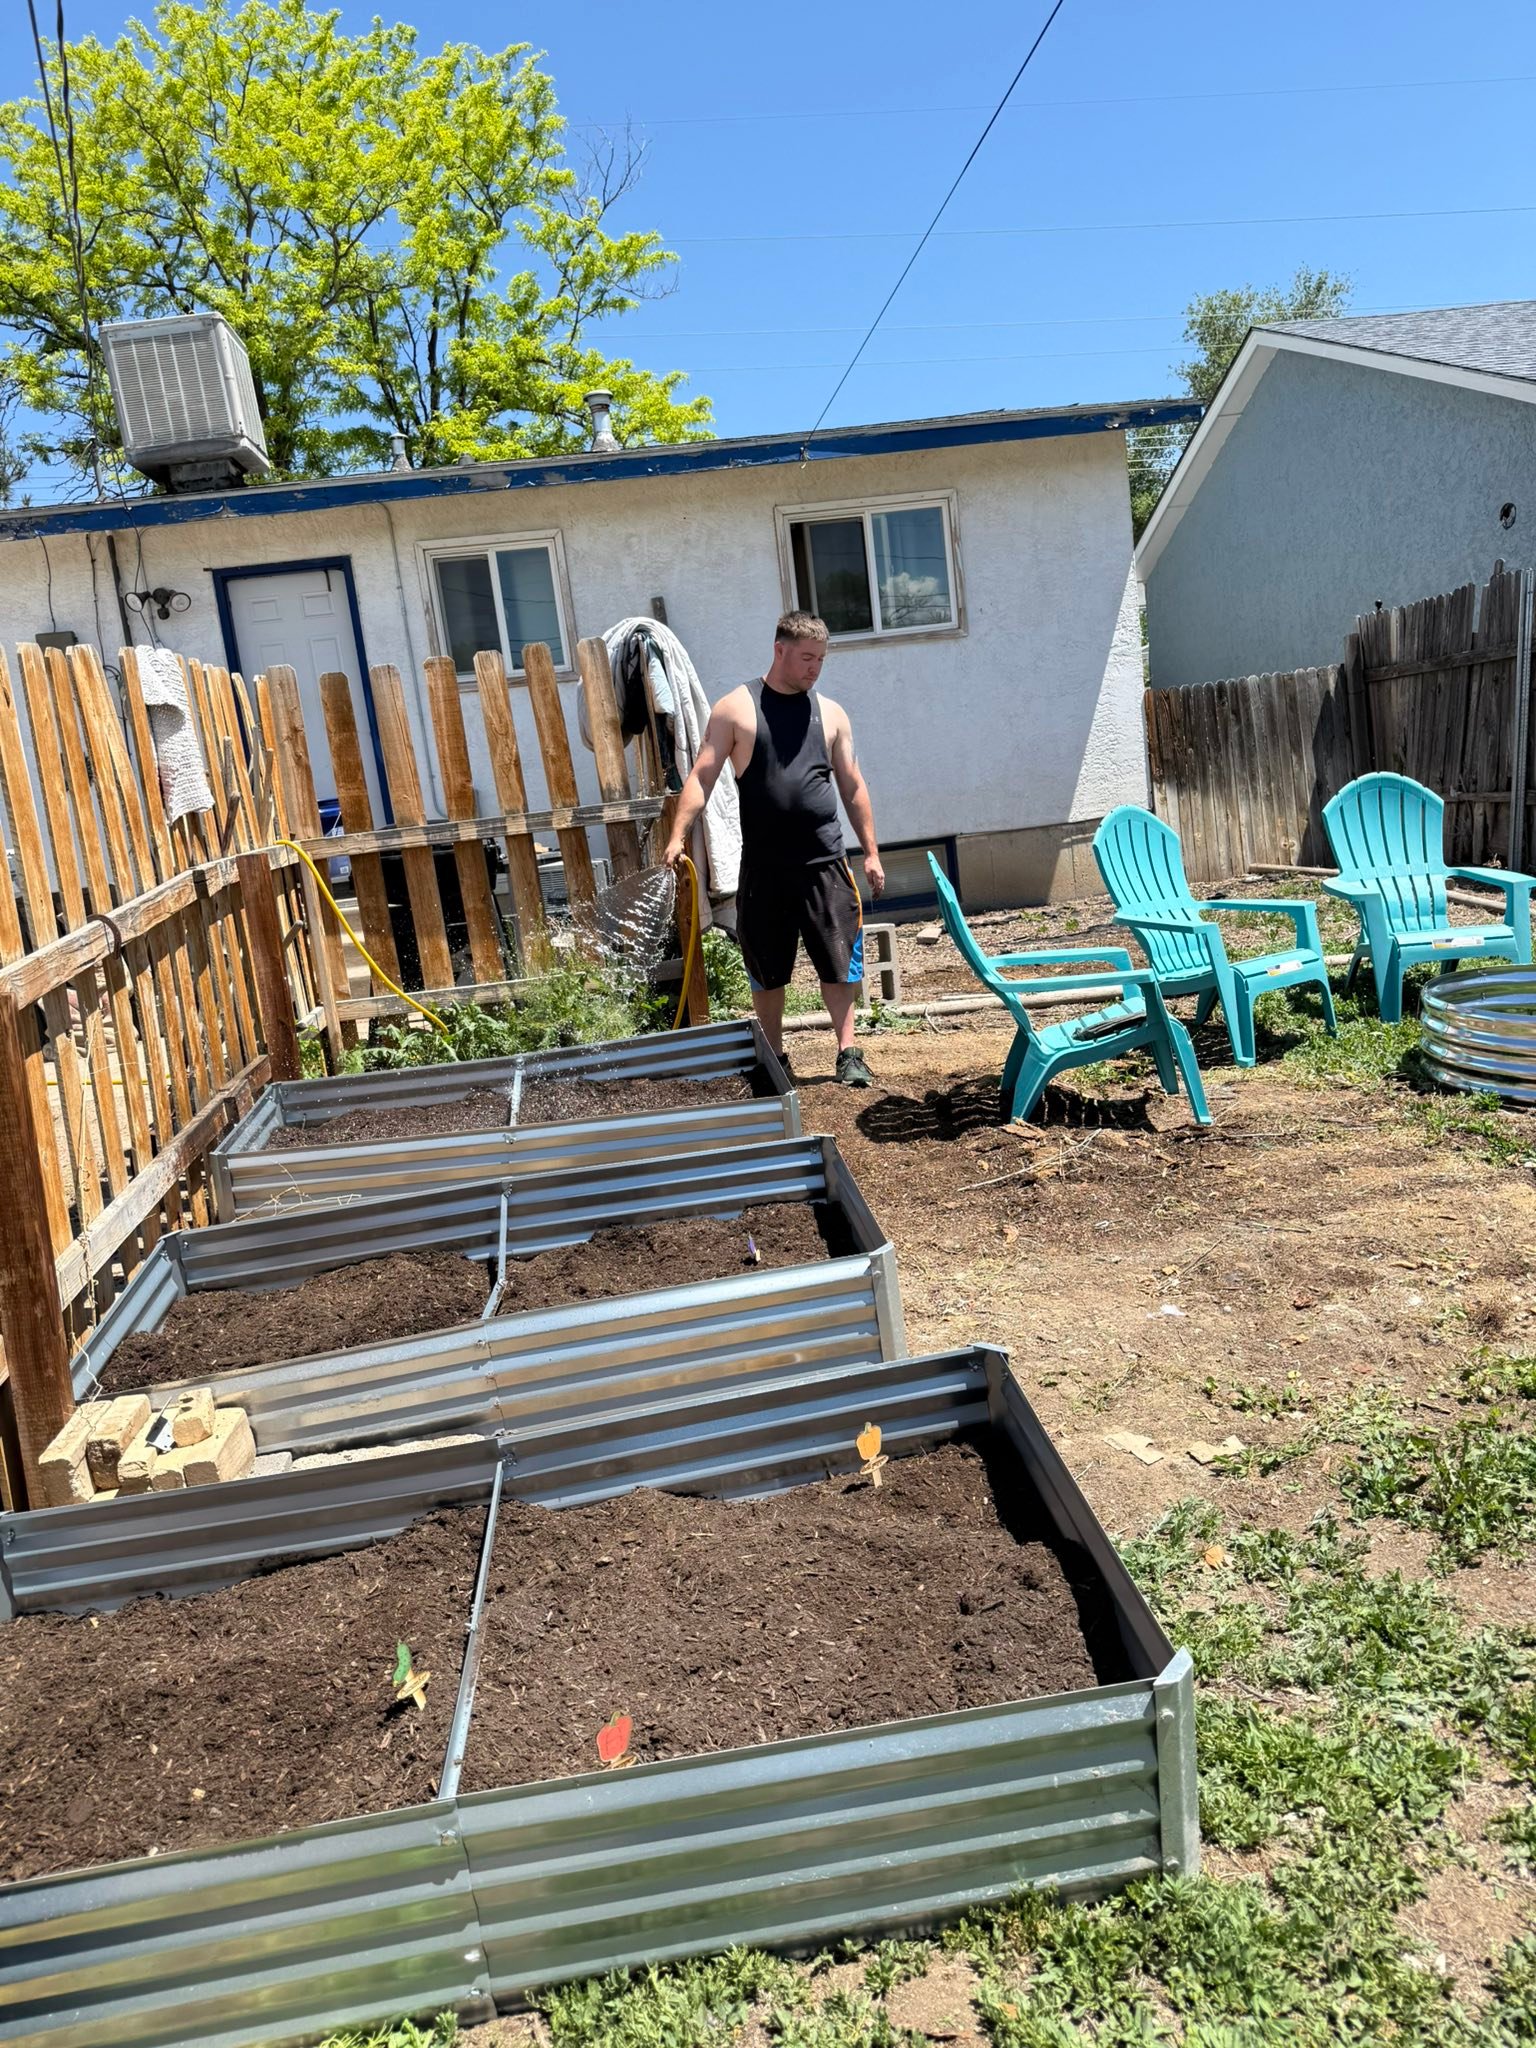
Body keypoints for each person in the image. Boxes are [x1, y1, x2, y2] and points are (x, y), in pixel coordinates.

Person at [663, 610, 885, 1085]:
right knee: (767, 966)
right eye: (806, 657)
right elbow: (703, 776)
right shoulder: (736, 709)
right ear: (779, 649)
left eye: (821, 659)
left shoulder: (832, 713)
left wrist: (871, 851)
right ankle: (774, 1059)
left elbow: (853, 785)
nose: (814, 668)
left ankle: (848, 1053)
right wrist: (678, 833)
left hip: (825, 863)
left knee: (840, 958)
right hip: (764, 867)